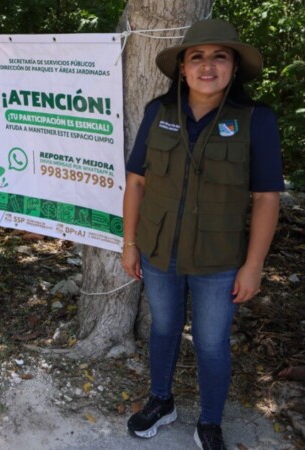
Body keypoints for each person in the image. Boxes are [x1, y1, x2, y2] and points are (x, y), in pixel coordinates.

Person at [121, 19, 283, 450]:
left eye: (219, 57)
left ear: (233, 67)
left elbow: (267, 197)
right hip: (158, 250)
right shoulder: (159, 112)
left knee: (211, 343)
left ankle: (210, 421)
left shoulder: (255, 120)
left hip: (219, 257)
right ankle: (161, 400)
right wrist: (130, 242)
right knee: (163, 328)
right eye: (197, 57)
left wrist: (253, 266)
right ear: (182, 67)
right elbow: (136, 181)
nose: (207, 66)